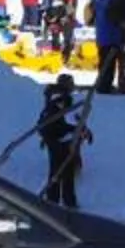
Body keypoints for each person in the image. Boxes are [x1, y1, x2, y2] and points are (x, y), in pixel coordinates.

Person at [36, 75, 91, 209]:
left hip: (56, 138)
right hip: (58, 139)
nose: (73, 87)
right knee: (63, 171)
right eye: (71, 84)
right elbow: (60, 122)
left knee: (62, 170)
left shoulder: (55, 97)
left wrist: (83, 130)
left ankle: (58, 200)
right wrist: (76, 130)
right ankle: (62, 201)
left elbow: (72, 118)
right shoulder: (60, 99)